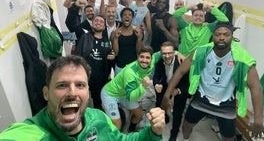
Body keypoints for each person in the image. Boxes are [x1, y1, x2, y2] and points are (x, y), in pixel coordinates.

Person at [0, 55, 166, 140]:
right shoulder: (32, 133)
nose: (72, 93)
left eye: (80, 85)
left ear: (87, 93)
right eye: (62, 85)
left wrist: (152, 132)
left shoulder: (99, 118)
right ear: (46, 93)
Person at [161, 22, 264, 141]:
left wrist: (258, 119)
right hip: (202, 99)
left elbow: (256, 87)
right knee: (186, 128)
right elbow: (180, 71)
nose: (222, 37)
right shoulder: (201, 52)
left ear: (232, 36)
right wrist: (167, 94)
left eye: (226, 34)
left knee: (228, 139)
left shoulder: (242, 58)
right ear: (213, 36)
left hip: (226, 103)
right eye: (218, 34)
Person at [101, 46, 161, 132]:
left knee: (139, 115)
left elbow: (160, 53)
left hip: (124, 93)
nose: (144, 60)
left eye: (148, 58)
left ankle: (131, 130)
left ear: (151, 59)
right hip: (110, 94)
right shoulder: (130, 73)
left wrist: (177, 53)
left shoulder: (153, 60)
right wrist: (143, 86)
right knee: (117, 125)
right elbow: (131, 97)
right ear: (137, 57)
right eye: (142, 57)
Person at [75, 15, 115, 110]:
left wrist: (113, 57)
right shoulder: (85, 37)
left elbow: (110, 60)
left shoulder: (107, 42)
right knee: (82, 102)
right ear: (92, 24)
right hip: (85, 76)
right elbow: (77, 56)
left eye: (101, 21)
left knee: (98, 103)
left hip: (101, 78)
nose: (98, 22)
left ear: (104, 26)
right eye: (96, 20)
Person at [153, 41, 189, 141]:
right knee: (159, 105)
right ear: (161, 53)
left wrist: (178, 90)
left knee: (177, 113)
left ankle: (174, 133)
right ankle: (164, 116)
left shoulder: (182, 62)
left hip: (179, 89)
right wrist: (156, 84)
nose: (167, 56)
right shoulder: (159, 62)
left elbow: (189, 83)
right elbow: (156, 76)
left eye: (170, 53)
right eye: (164, 53)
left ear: (174, 53)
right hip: (165, 86)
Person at [111, 7, 143, 75]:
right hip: (119, 67)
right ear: (121, 18)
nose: (127, 16)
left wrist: (139, 38)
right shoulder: (115, 32)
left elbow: (138, 51)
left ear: (132, 18)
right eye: (124, 15)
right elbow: (116, 53)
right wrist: (116, 38)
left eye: (129, 15)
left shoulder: (137, 32)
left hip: (133, 66)